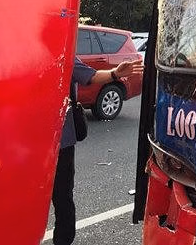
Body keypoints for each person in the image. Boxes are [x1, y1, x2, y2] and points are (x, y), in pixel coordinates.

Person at [52, 57, 143, 245]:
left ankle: (63, 240)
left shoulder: (63, 53)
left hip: (61, 142)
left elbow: (91, 77)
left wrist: (115, 74)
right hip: (29, 144)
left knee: (62, 196)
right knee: (34, 197)